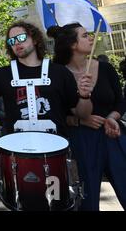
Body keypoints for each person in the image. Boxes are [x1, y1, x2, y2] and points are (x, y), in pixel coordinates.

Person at [47, 23, 126, 211]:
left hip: (113, 135)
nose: (91, 38)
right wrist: (80, 120)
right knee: (87, 199)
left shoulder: (106, 68)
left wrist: (112, 118)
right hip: (81, 140)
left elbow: (121, 101)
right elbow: (56, 113)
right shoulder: (57, 74)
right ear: (72, 44)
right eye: (85, 35)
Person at [0, 21, 93, 138]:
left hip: (56, 149)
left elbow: (83, 114)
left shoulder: (60, 72)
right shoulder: (2, 74)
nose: (17, 43)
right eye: (12, 41)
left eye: (22, 37)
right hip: (17, 151)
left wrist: (85, 96)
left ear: (35, 40)